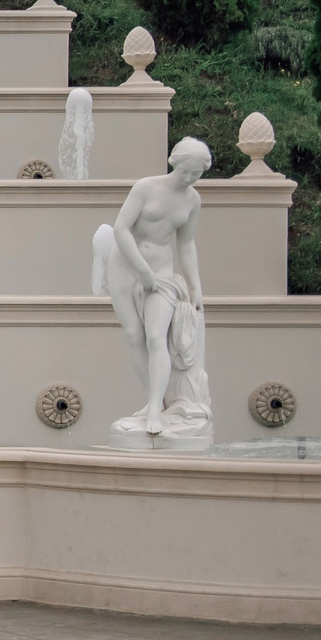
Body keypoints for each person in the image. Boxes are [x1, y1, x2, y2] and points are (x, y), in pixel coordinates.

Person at [105, 136, 212, 434]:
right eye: (184, 172)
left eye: (196, 174)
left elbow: (186, 243)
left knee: (156, 337)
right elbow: (120, 228)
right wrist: (142, 271)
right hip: (126, 266)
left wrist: (195, 287)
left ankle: (154, 409)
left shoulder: (193, 199)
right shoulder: (146, 187)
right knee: (133, 335)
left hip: (162, 273)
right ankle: (159, 400)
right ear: (173, 163)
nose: (189, 179)